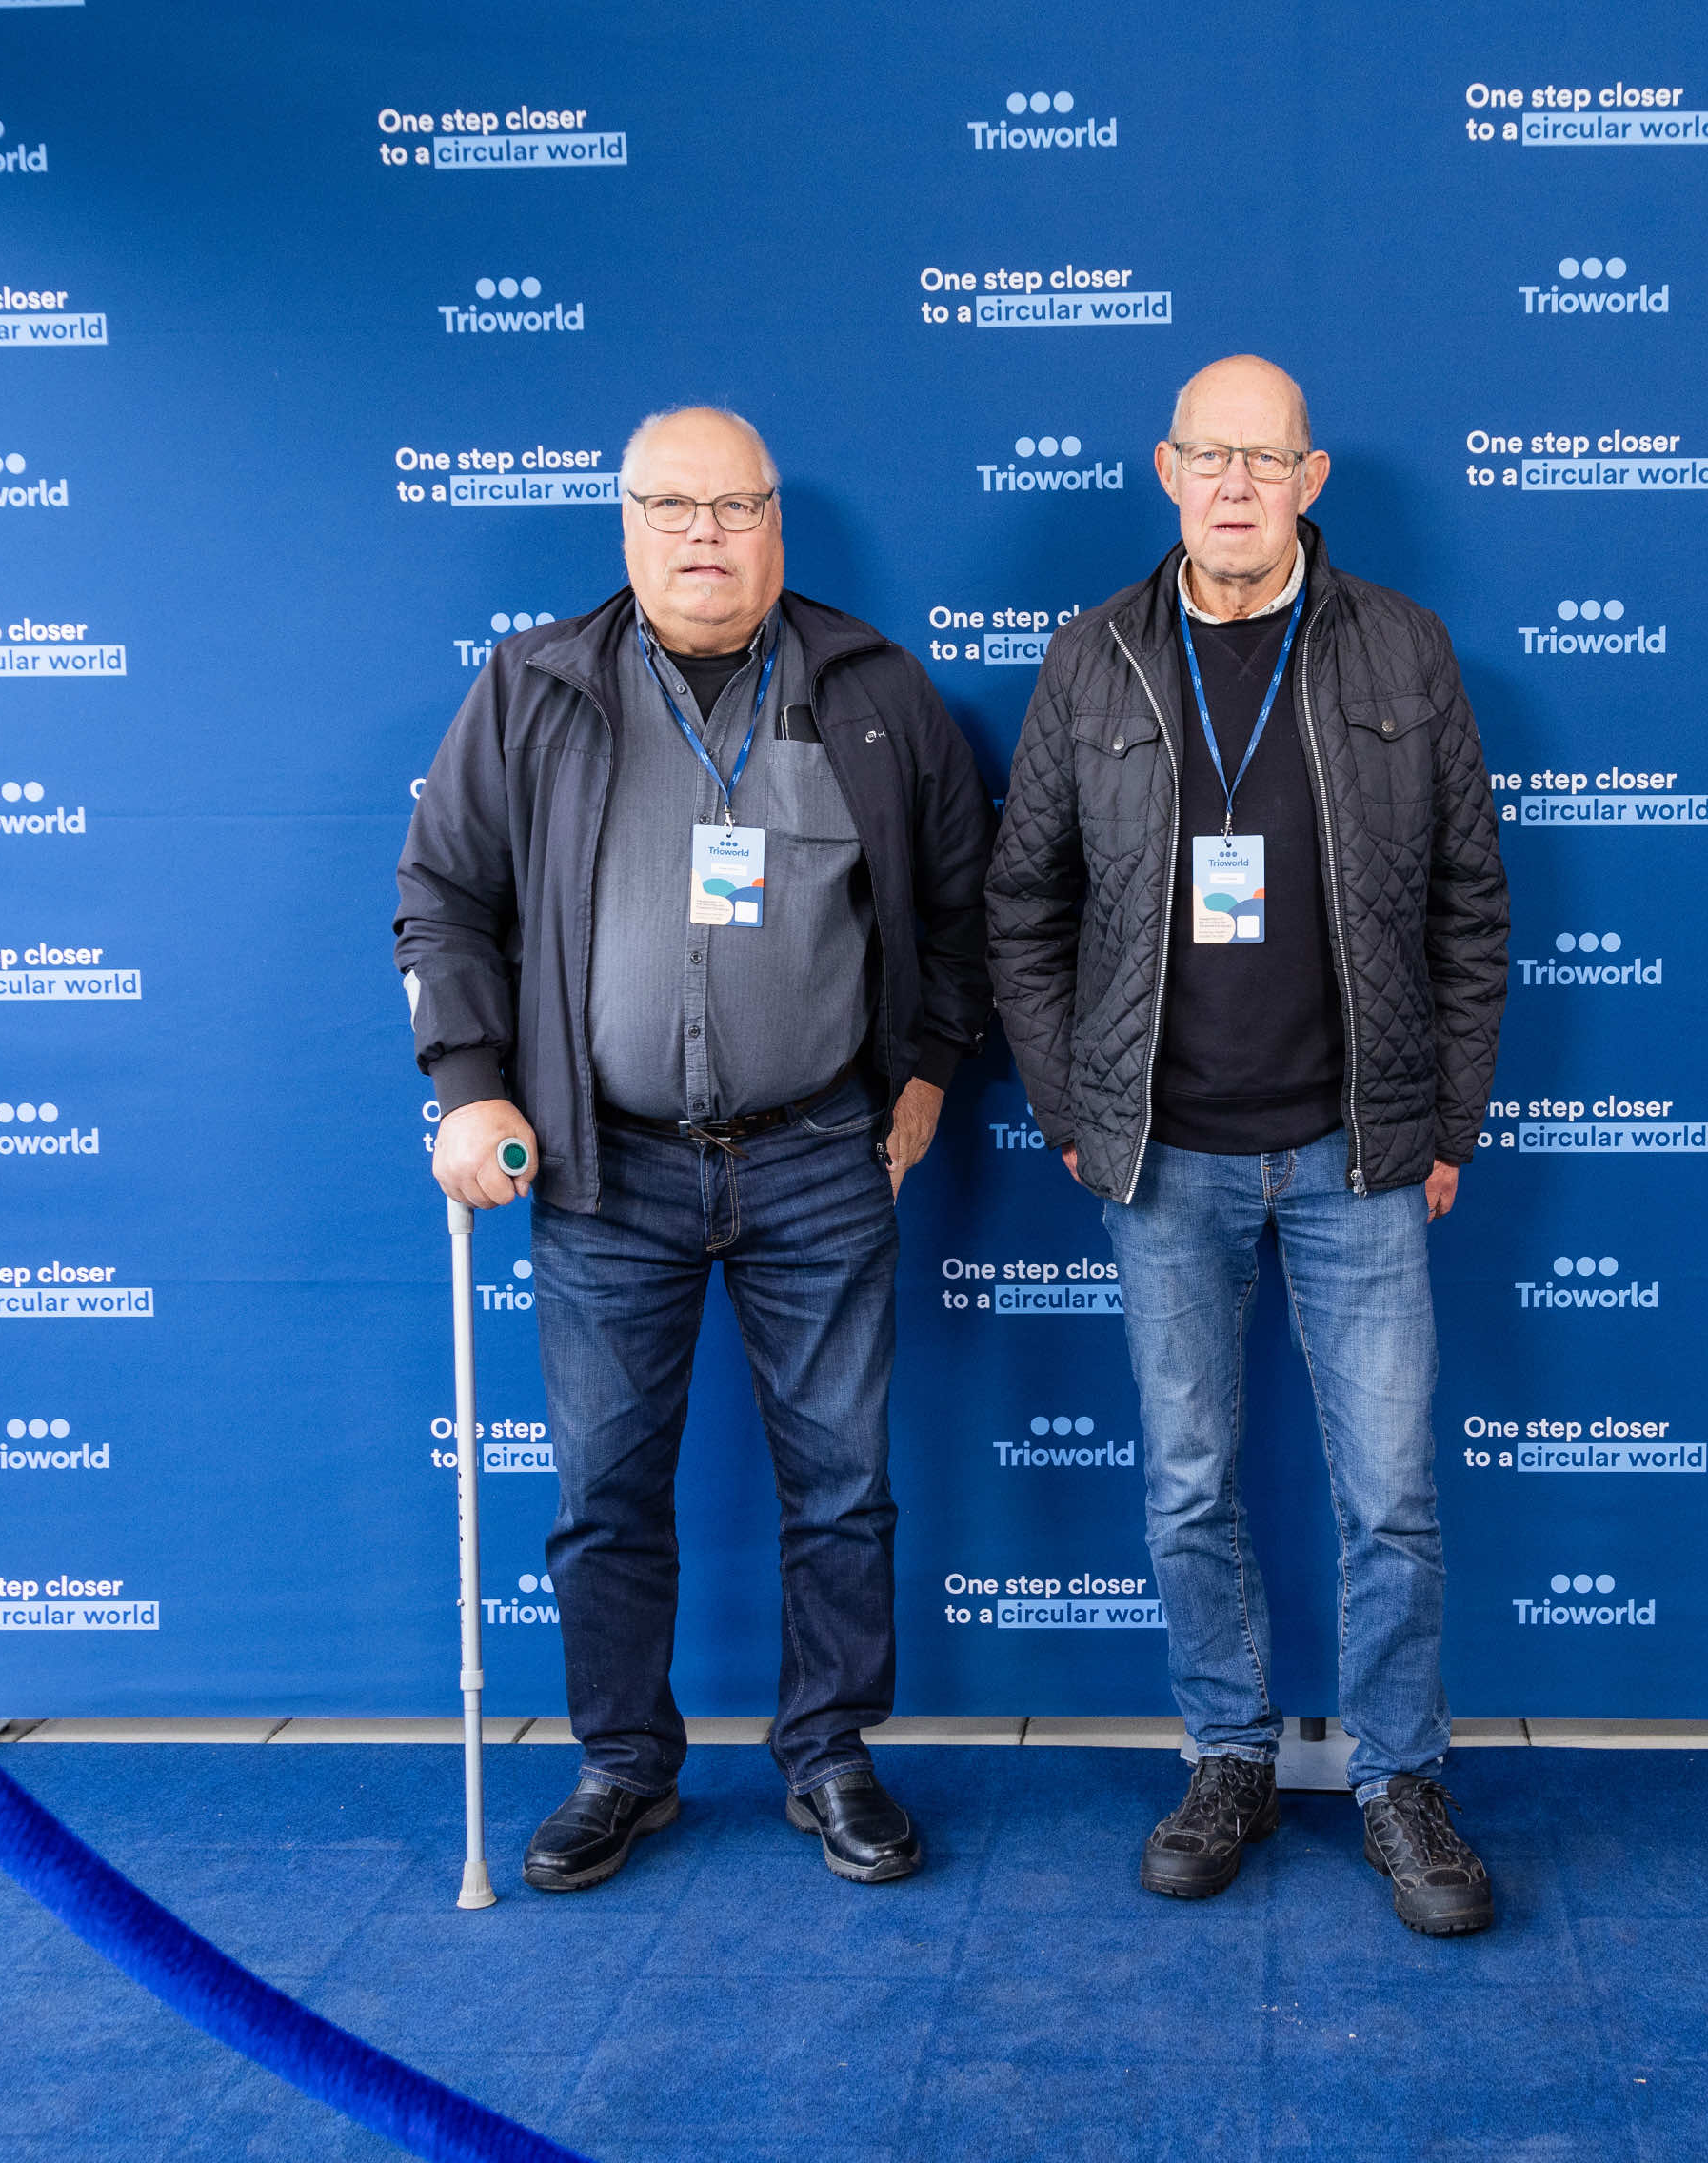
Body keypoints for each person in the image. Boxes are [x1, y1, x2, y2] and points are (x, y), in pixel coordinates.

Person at [396, 405, 993, 1892]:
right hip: (605, 1167)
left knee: (842, 1487)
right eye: (673, 506)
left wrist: (928, 1071)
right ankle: (621, 1765)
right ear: (628, 525)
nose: (705, 536)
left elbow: (963, 905)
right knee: (603, 1491)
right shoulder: (533, 688)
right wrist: (469, 1084)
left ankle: (830, 1755)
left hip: (821, 1155)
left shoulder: (871, 688)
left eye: (734, 507)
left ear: (776, 524)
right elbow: (443, 896)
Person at [985, 356, 1511, 1935]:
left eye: (1264, 460)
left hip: (1358, 1148)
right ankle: (1226, 1756)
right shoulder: (1092, 659)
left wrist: (1446, 1115)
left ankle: (1400, 1778)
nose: (1234, 485)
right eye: (1208, 457)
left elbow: (1470, 906)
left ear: (1309, 480)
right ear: (1166, 471)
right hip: (1165, 1158)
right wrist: (1075, 1109)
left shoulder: (1402, 649)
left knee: (1392, 1497)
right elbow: (1024, 908)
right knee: (1188, 1485)